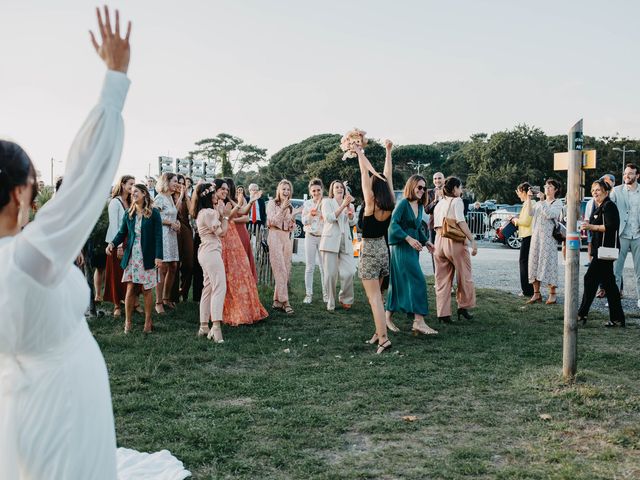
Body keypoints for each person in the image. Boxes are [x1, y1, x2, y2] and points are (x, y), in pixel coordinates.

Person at [0, 8, 189, 477]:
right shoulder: (29, 256)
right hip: (61, 399)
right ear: (22, 191)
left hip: (20, 401)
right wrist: (114, 81)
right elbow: (85, 178)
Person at [355, 140, 398, 353]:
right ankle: (377, 332)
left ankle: (383, 339)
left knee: (373, 299)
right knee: (378, 297)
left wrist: (358, 153)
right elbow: (387, 175)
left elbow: (364, 173)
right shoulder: (390, 202)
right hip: (383, 249)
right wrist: (388, 152)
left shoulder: (370, 204)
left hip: (370, 250)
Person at [387, 173, 441, 331]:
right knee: (418, 280)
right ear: (411, 186)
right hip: (402, 248)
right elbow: (393, 225)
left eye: (424, 188)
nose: (422, 191)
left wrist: (426, 241)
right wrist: (408, 239)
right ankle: (419, 322)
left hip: (413, 249)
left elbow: (417, 227)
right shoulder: (403, 203)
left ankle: (386, 317)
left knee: (398, 283)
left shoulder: (418, 205)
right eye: (419, 187)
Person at [107, 184, 163, 333]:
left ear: (144, 193)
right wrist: (112, 243)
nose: (133, 195)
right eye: (132, 193)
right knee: (130, 288)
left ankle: (148, 322)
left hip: (148, 255)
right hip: (132, 255)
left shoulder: (154, 213)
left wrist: (159, 256)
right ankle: (128, 323)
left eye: (136, 192)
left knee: (146, 289)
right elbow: (121, 233)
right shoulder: (128, 213)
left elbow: (158, 236)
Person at [217, 178, 269, 325]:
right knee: (227, 273)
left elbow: (241, 212)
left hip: (234, 238)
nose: (226, 191)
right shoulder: (217, 203)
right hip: (225, 237)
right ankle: (225, 308)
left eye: (227, 189)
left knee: (241, 271)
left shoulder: (229, 201)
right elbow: (229, 216)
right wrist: (234, 211)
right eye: (224, 189)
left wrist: (251, 201)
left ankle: (242, 307)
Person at [578, 179, 625, 327]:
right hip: (600, 250)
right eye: (593, 190)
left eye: (597, 190)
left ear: (606, 191)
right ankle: (617, 319)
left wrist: (592, 226)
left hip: (606, 250)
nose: (594, 193)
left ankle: (582, 313)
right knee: (609, 285)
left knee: (589, 278)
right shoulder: (598, 207)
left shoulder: (609, 206)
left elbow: (612, 226)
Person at [433, 176, 478, 322]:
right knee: (464, 275)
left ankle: (443, 313)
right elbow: (461, 221)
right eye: (460, 187)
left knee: (442, 279)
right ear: (455, 189)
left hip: (439, 240)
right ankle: (463, 306)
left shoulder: (439, 203)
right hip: (454, 241)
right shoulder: (457, 201)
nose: (461, 190)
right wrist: (472, 240)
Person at [193, 182, 229, 342]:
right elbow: (222, 233)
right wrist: (226, 216)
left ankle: (203, 326)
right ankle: (215, 327)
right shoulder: (209, 212)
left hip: (204, 252)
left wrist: (220, 214)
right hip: (211, 252)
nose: (217, 195)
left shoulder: (203, 212)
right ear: (209, 195)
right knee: (219, 286)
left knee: (207, 288)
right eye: (214, 192)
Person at [320, 179, 357, 311]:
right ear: (332, 190)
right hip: (330, 241)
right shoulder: (326, 202)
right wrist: (342, 207)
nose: (339, 189)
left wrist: (351, 215)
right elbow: (329, 218)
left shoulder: (349, 204)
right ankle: (330, 300)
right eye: (336, 187)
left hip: (345, 241)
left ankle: (345, 298)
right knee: (330, 274)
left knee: (350, 271)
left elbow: (353, 223)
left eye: (341, 187)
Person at [267, 179, 302, 314]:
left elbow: (290, 226)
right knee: (280, 269)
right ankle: (286, 302)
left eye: (288, 189)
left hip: (286, 237)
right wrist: (282, 209)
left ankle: (277, 301)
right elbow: (272, 221)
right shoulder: (272, 204)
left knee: (286, 269)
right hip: (274, 235)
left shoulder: (291, 206)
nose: (286, 192)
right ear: (279, 190)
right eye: (284, 189)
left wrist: (293, 215)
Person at [526, 178, 563, 305]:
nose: (547, 188)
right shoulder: (538, 203)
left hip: (549, 238)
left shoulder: (558, 203)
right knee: (534, 262)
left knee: (548, 264)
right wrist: (529, 199)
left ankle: (552, 294)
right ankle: (536, 293)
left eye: (550, 186)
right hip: (536, 237)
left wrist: (542, 201)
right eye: (546, 186)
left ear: (555, 190)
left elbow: (550, 214)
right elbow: (530, 213)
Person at [104, 174, 134, 317]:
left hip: (131, 242)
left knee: (129, 274)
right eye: (130, 184)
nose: (133, 187)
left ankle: (132, 301)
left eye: (134, 184)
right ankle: (117, 304)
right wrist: (120, 245)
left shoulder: (132, 201)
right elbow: (115, 226)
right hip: (117, 243)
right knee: (116, 274)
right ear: (122, 184)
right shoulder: (115, 203)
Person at [611, 163, 640, 307]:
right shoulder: (616, 191)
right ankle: (614, 301)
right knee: (616, 270)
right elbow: (608, 208)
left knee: (639, 272)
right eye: (625, 173)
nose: (626, 176)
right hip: (621, 235)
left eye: (630, 173)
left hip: (638, 236)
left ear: (637, 175)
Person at [154, 172, 182, 313]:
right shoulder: (159, 198)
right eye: (174, 181)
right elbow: (154, 217)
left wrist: (176, 223)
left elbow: (172, 214)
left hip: (171, 236)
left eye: (177, 181)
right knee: (163, 268)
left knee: (173, 266)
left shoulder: (170, 198)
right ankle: (158, 302)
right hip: (162, 235)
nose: (177, 184)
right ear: (166, 182)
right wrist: (170, 223)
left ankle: (166, 298)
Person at [301, 178, 327, 304]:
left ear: (322, 190)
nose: (316, 193)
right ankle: (308, 294)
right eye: (314, 191)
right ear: (310, 192)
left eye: (318, 190)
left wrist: (322, 214)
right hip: (310, 236)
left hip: (323, 237)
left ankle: (326, 295)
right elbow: (304, 221)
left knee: (324, 267)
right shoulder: (307, 204)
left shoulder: (327, 202)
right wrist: (311, 215)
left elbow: (330, 220)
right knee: (310, 267)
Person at [228, 177, 258, 281]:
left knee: (243, 259)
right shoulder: (221, 201)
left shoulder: (240, 199)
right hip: (227, 232)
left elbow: (245, 216)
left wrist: (231, 221)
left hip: (240, 231)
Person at [170, 174, 194, 303]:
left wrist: (185, 196)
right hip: (173, 231)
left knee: (189, 263)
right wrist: (179, 196)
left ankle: (183, 291)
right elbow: (174, 212)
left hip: (186, 230)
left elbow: (192, 212)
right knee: (174, 263)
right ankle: (173, 296)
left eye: (183, 183)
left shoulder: (187, 198)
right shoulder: (169, 198)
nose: (180, 185)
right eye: (178, 182)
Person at [511, 182, 535, 297]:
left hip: (528, 235)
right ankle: (529, 290)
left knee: (524, 263)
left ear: (524, 192)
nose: (518, 195)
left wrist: (515, 221)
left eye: (519, 192)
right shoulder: (528, 203)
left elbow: (526, 221)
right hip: (528, 235)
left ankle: (527, 290)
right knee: (526, 263)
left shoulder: (529, 203)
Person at [425, 172, 445, 243]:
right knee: (434, 250)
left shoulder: (449, 192)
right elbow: (427, 210)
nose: (437, 180)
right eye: (435, 179)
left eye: (439, 178)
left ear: (444, 180)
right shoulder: (429, 193)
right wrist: (434, 201)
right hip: (433, 226)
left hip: (447, 226)